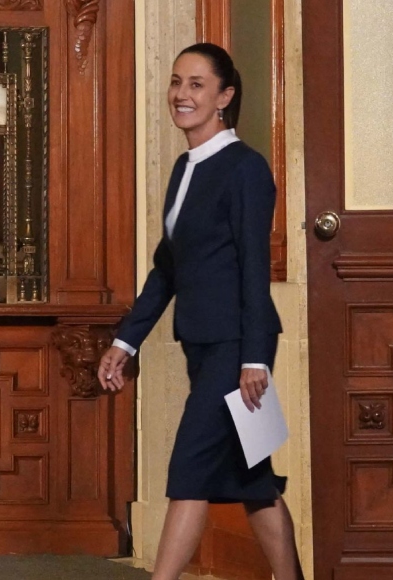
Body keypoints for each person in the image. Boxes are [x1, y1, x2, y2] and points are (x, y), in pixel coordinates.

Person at [98, 43, 303, 580]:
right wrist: (125, 341)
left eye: (196, 84)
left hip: (237, 349)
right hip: (202, 343)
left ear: (224, 97)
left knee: (189, 469)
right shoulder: (184, 167)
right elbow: (167, 267)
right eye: (175, 82)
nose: (181, 94)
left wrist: (254, 357)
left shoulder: (246, 168)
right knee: (254, 480)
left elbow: (255, 268)